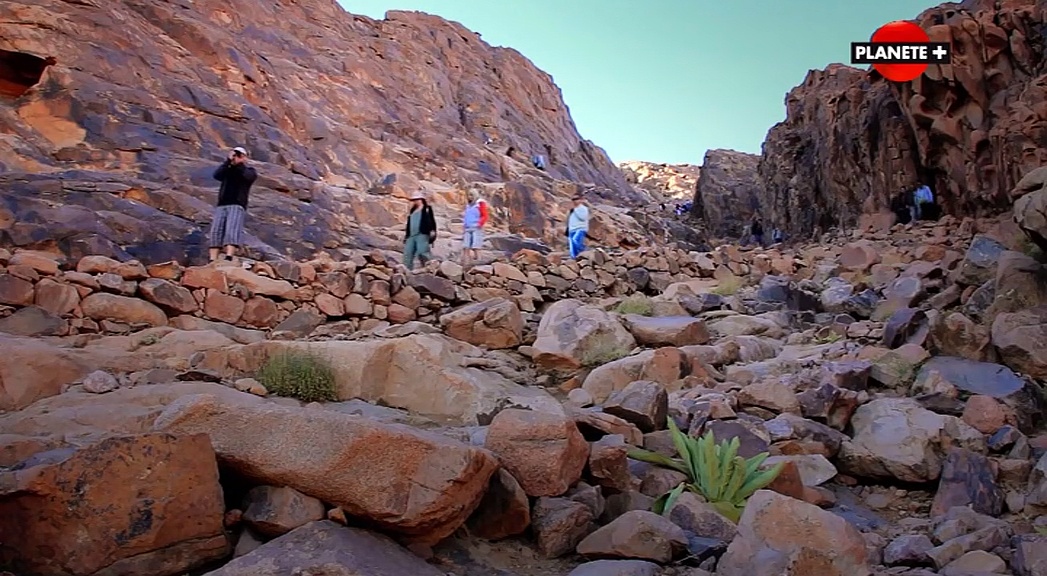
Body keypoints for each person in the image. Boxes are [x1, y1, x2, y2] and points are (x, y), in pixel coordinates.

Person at [208, 146, 257, 263]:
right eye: (236, 155)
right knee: (216, 230)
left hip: (237, 203)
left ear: (245, 157)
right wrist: (228, 161)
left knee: (232, 229)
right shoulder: (227, 169)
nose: (237, 157)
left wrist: (240, 164)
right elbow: (217, 175)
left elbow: (248, 177)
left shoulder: (250, 171)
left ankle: (229, 256)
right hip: (222, 204)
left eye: (240, 155)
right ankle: (212, 258)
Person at [403, 192, 438, 270]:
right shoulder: (412, 211)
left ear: (421, 199)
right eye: (414, 200)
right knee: (407, 253)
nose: (415, 201)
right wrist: (406, 235)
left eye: (416, 199)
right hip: (411, 235)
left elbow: (431, 220)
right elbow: (409, 223)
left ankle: (429, 267)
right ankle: (406, 270)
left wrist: (432, 230)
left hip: (422, 233)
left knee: (422, 251)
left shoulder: (427, 208)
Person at [461, 188, 489, 268]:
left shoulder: (480, 203)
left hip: (476, 227)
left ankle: (479, 263)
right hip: (467, 228)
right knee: (466, 247)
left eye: (471, 195)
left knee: (476, 246)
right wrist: (464, 225)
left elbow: (485, 215)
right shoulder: (468, 205)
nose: (469, 197)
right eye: (468, 195)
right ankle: (466, 264)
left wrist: (480, 223)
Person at [566, 193, 590, 259]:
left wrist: (575, 210)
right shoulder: (572, 210)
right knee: (572, 245)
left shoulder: (584, 209)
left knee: (576, 241)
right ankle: (574, 258)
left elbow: (583, 217)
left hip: (580, 228)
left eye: (576, 199)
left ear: (581, 200)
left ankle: (584, 252)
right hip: (572, 229)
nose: (574, 201)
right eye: (573, 199)